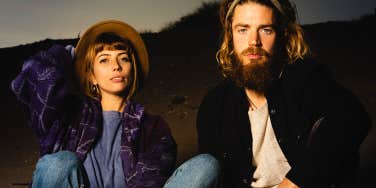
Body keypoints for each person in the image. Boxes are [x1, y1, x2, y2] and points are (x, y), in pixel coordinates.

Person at [11, 20, 219, 188]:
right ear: (91, 75)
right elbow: (35, 73)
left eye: (124, 58)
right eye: (104, 60)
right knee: (58, 164)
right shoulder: (69, 116)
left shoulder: (153, 126)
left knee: (206, 165)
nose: (116, 66)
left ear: (132, 69)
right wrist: (68, 56)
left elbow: (150, 180)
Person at [196, 0, 371, 187]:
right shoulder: (215, 104)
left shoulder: (306, 79)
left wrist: (295, 181)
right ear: (230, 36)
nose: (254, 41)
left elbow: (354, 117)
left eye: (266, 30)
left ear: (281, 35)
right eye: (243, 29)